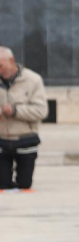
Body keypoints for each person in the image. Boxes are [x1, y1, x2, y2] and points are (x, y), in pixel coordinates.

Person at [0, 46, 47, 192]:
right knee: (3, 185)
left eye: (0, 65)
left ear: (12, 61)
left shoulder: (33, 80)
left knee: (25, 185)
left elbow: (41, 111)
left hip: (25, 139)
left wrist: (15, 111)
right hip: (1, 140)